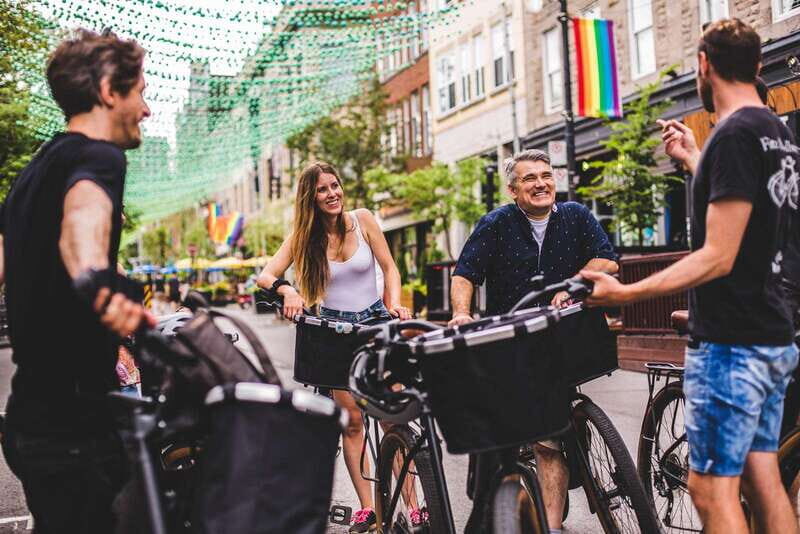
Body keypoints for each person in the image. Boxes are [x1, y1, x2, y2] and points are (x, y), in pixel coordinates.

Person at [584, 19, 799, 534]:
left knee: (710, 489)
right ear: (758, 65)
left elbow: (717, 256)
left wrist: (626, 292)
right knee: (763, 479)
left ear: (703, 64)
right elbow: (750, 209)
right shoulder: (776, 132)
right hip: (771, 335)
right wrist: (695, 159)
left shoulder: (733, 135)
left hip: (731, 341)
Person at [0, 29, 154, 534]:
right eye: (141, 93)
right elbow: (82, 228)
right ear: (109, 90)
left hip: (30, 421)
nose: (146, 109)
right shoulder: (99, 157)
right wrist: (97, 282)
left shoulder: (31, 175)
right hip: (76, 430)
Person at [449, 148, 618, 534]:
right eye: (530, 178)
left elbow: (606, 260)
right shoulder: (496, 224)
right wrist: (461, 312)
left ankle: (552, 519)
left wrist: (574, 283)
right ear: (513, 190)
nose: (541, 184)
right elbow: (466, 273)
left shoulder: (576, 216)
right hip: (514, 342)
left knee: (550, 436)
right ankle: (531, 509)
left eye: (546, 176)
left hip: (568, 336)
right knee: (535, 441)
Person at [257, 162, 412, 533]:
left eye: (335, 185)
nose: (332, 194)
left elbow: (390, 268)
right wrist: (288, 290)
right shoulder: (303, 238)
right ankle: (368, 509)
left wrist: (394, 303)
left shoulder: (363, 220)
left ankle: (415, 505)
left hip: (375, 322)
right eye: (322, 190)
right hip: (334, 332)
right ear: (310, 199)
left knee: (392, 416)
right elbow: (265, 276)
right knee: (353, 422)